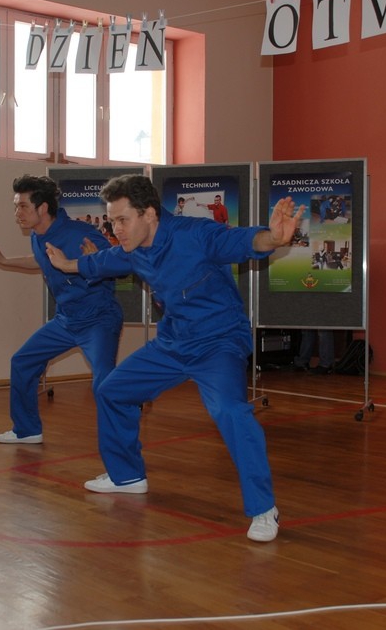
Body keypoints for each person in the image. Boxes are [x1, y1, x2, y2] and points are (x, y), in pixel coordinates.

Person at [45, 174, 305, 543]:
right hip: (172, 343)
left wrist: (273, 238)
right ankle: (127, 476)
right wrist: (67, 265)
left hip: (217, 342)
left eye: (122, 220)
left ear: (149, 214)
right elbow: (103, 262)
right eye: (112, 221)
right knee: (112, 390)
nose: (115, 229)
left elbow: (241, 241)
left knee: (230, 412)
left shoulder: (194, 234)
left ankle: (264, 508)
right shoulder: (134, 248)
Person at [0, 175, 123, 445]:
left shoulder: (79, 233)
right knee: (22, 362)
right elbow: (40, 260)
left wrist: (95, 262)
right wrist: (4, 260)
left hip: (98, 319)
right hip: (66, 320)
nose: (17, 213)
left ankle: (119, 445)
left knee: (104, 382)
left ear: (43, 207)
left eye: (23, 206)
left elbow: (118, 262)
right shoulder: (38, 236)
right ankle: (27, 430)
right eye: (16, 206)